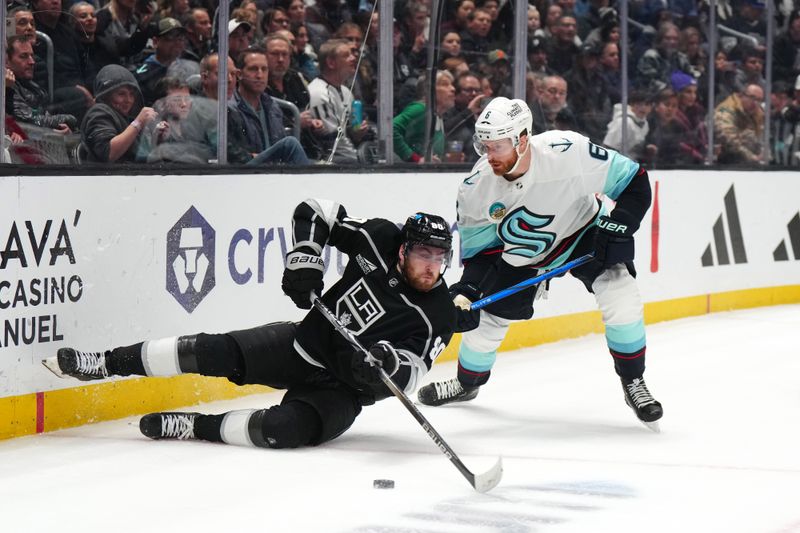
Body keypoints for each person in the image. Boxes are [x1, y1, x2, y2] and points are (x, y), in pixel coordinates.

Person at [44, 201, 457, 450]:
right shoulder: (379, 238)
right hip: (303, 345)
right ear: (403, 248)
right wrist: (305, 256)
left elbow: (413, 370)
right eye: (423, 253)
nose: (431, 265)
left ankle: (191, 426)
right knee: (203, 350)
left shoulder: (437, 312)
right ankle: (104, 362)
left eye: (440, 257)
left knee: (281, 430)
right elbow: (318, 210)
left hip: (344, 392)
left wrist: (385, 367)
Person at [416, 97, 664, 430]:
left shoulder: (569, 152)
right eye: (484, 146)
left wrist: (621, 223)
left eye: (498, 146)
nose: (489, 156)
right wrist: (468, 290)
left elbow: (635, 182)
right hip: (520, 256)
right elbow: (481, 253)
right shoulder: (475, 188)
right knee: (486, 323)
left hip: (581, 233)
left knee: (620, 291)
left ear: (522, 139)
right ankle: (467, 383)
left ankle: (633, 381)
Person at [227, 47, 310, 166]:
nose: (260, 75)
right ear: (239, 75)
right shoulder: (230, 108)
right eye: (253, 69)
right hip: (245, 173)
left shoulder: (272, 106)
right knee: (290, 144)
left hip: (273, 172)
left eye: (264, 69)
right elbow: (231, 152)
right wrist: (250, 156)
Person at [81, 64, 158, 163]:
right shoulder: (99, 112)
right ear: (106, 96)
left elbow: (139, 155)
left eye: (131, 94)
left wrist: (157, 137)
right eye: (121, 94)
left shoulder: (124, 119)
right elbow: (108, 153)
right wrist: (138, 122)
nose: (128, 100)